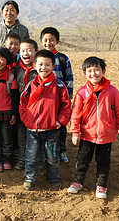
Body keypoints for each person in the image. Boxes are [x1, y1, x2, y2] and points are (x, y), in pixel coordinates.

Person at [67, 56, 119, 199]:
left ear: (103, 71)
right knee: (82, 160)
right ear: (84, 73)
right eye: (89, 70)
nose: (93, 73)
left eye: (97, 70)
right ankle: (78, 182)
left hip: (106, 135)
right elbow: (75, 113)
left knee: (103, 161)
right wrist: (75, 132)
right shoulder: (82, 92)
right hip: (87, 134)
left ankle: (101, 185)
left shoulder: (112, 91)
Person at [19, 50, 72, 191]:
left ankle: (54, 178)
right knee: (31, 156)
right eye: (40, 64)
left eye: (47, 64)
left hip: (52, 130)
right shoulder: (31, 85)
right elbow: (22, 104)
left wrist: (60, 122)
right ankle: (30, 178)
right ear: (35, 66)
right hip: (33, 130)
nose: (44, 68)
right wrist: (27, 119)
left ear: (53, 65)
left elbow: (67, 106)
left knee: (52, 157)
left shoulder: (59, 86)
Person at [40, 26, 74, 163]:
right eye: (46, 40)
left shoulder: (62, 58)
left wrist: (68, 98)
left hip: (60, 98)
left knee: (61, 124)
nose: (48, 43)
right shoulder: (39, 57)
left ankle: (62, 150)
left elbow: (69, 78)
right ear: (41, 41)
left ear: (57, 41)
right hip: (44, 98)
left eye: (52, 40)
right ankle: (45, 151)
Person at [14, 39, 38, 170]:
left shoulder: (39, 70)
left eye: (29, 50)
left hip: (36, 111)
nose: (26, 53)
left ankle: (36, 161)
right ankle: (23, 159)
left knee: (35, 138)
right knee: (21, 136)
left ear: (36, 52)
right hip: (21, 110)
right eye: (23, 50)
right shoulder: (17, 69)